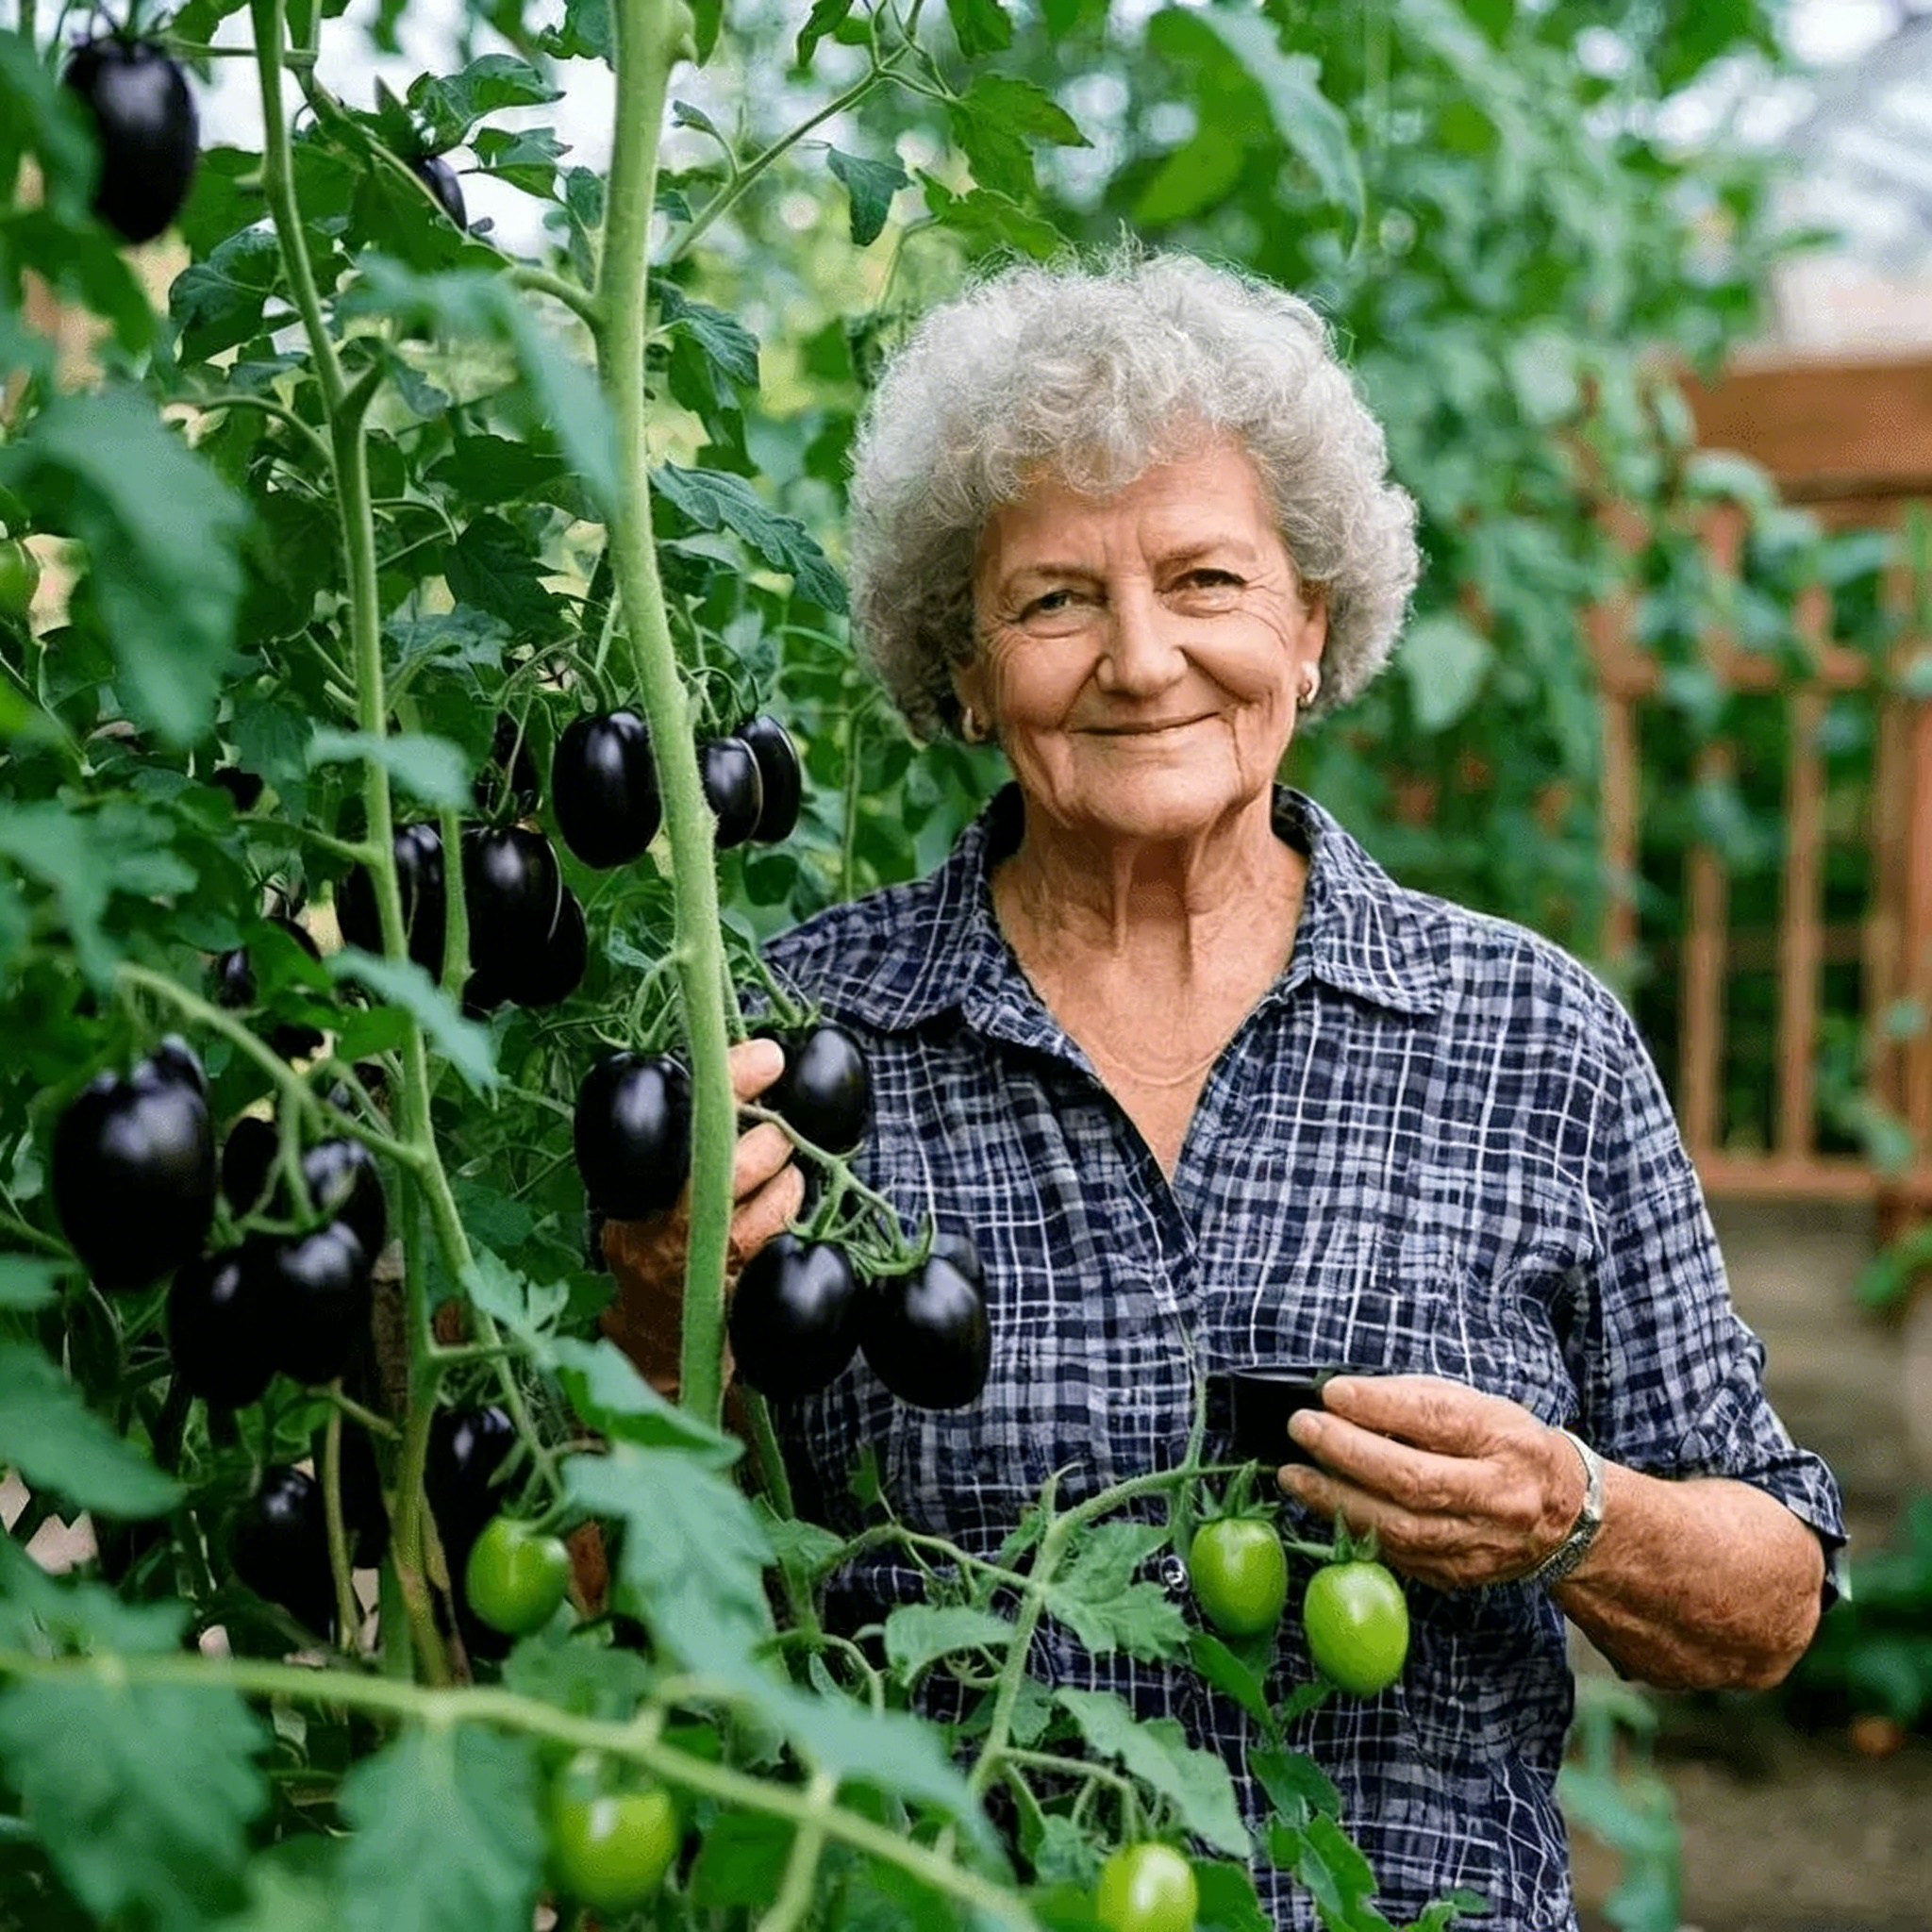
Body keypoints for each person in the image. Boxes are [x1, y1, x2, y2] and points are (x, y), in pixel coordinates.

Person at [603, 248, 1844, 1929]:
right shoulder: (806, 1046)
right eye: (1052, 599)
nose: (1137, 657)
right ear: (963, 671)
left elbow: (1769, 1599)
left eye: (1206, 581)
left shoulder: (1528, 1034)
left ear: (1312, 628)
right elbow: (612, 1601)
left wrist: (1573, 1514)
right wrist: (654, 1318)